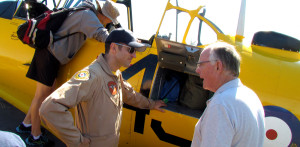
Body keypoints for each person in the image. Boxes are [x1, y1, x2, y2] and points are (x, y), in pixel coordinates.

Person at [16, 0, 121, 146]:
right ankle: (35, 136)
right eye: (110, 20)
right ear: (106, 16)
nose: (109, 22)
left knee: (45, 94)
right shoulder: (87, 16)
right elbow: (100, 34)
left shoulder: (85, 12)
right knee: (41, 97)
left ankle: (26, 124)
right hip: (49, 56)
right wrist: (121, 43)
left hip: (49, 55)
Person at [39, 28, 167, 146]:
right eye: (131, 50)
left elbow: (130, 95)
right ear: (113, 48)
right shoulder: (93, 76)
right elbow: (49, 107)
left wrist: (151, 104)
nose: (134, 55)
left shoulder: (115, 74)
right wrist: (78, 141)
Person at [191, 42, 265, 147]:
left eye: (201, 64)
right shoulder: (252, 96)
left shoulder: (221, 104)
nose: (197, 70)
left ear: (218, 66)